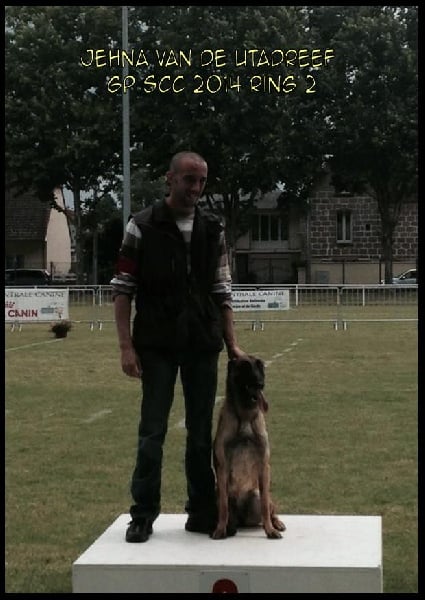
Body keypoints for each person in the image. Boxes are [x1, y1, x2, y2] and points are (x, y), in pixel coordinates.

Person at [110, 150, 245, 543]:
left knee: (201, 434)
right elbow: (122, 290)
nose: (196, 188)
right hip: (156, 345)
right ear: (169, 179)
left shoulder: (213, 228)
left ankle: (201, 511)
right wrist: (126, 347)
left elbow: (222, 290)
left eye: (202, 180)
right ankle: (142, 515)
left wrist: (232, 344)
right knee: (152, 432)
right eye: (189, 179)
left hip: (202, 343)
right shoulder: (141, 225)